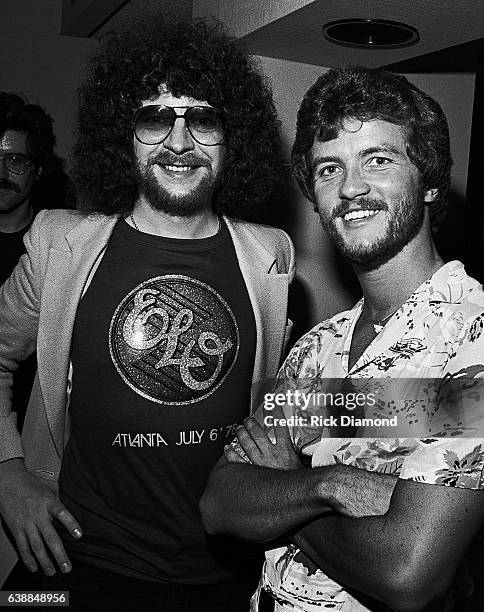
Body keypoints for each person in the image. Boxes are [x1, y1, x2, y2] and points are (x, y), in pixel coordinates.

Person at [0, 20, 294, 611]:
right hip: (71, 564)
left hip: (221, 573)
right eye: (155, 118)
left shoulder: (274, 255)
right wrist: (6, 469)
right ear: (123, 136)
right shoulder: (60, 243)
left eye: (202, 120)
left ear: (230, 137)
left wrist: (467, 407)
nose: (179, 143)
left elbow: (291, 397)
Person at [200, 66, 484, 611]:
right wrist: (332, 485)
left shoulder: (478, 340)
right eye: (329, 169)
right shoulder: (319, 346)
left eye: (379, 161)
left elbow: (406, 571)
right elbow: (220, 502)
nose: (351, 188)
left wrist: (289, 484)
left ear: (431, 180)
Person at [0, 92, 74, 432]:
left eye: (15, 160)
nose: (1, 172)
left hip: (38, 439)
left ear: (38, 170)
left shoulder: (62, 248)